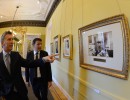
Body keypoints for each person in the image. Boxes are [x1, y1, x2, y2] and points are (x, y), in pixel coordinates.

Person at [0, 31, 55, 100]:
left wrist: (43, 59)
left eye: (12, 39)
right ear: (2, 43)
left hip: (21, 91)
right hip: (7, 94)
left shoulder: (16, 55)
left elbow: (29, 64)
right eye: (9, 39)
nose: (12, 42)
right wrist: (1, 94)